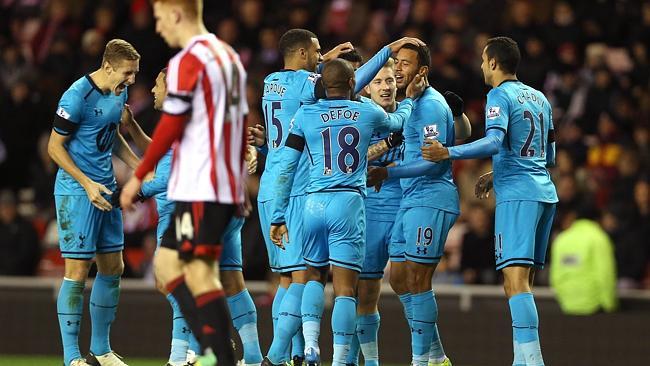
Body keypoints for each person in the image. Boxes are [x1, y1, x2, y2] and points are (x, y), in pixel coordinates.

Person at [250, 28, 425, 366]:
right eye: (316, 52)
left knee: (291, 278)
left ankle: (300, 352)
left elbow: (287, 153)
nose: (321, 56)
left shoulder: (277, 87)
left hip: (284, 190)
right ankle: (283, 357)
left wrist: (275, 211)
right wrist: (388, 51)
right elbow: (373, 103)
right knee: (336, 286)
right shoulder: (359, 110)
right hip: (328, 197)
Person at [120, 1, 248, 365]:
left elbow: (171, 128)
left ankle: (218, 353)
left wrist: (138, 178)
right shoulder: (229, 58)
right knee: (187, 271)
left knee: (175, 269)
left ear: (176, 13)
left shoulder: (186, 63)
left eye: (160, 19)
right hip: (219, 186)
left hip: (200, 186)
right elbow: (237, 123)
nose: (159, 28)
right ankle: (216, 352)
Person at [421, 36, 558, 366]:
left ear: (494, 63)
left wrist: (448, 152)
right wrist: (498, 174)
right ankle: (521, 360)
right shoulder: (540, 98)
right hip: (543, 192)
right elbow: (548, 154)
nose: (482, 66)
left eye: (484, 60)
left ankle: (534, 362)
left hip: (518, 197)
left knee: (513, 281)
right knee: (522, 284)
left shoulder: (499, 94)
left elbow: (495, 142)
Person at [47, 38, 140, 366]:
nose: (132, 80)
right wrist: (86, 183)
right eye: (128, 73)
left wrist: (139, 167)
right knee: (77, 270)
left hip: (107, 191)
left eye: (135, 74)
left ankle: (101, 350)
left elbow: (110, 136)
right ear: (108, 66)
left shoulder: (119, 92)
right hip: (77, 192)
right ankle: (72, 357)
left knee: (114, 267)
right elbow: (54, 148)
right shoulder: (76, 97)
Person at [366, 44, 458, 366]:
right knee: (399, 279)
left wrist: (389, 172)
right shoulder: (412, 104)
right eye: (398, 63)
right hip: (411, 197)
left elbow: (433, 162)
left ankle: (422, 361)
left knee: (418, 279)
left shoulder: (430, 107)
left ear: (423, 72)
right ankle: (438, 356)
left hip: (431, 197)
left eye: (407, 64)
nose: (400, 69)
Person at [550, 204, 618, 315]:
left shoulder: (561, 239)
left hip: (567, 306)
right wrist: (610, 305)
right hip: (595, 308)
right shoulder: (599, 238)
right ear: (597, 220)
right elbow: (605, 274)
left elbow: (555, 276)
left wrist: (565, 299)